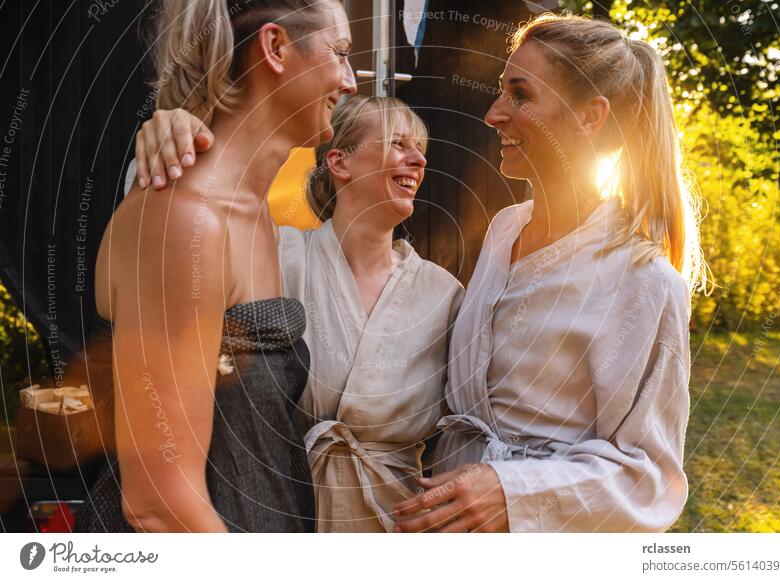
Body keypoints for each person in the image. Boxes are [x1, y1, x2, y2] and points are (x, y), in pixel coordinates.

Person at [392, 13, 708, 533]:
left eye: (519, 95)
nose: (494, 114)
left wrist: (510, 493)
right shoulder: (503, 231)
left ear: (589, 116)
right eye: (500, 91)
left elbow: (648, 477)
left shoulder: (644, 280)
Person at [76, 0, 356, 533]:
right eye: (340, 53)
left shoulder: (256, 219)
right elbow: (159, 504)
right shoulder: (185, 219)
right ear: (275, 48)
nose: (349, 81)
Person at [128, 96, 464, 532]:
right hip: (281, 513)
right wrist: (173, 134)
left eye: (420, 150)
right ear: (340, 163)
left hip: (398, 528)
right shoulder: (280, 257)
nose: (418, 160)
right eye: (398, 144)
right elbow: (178, 241)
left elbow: (467, 426)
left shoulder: (443, 294)